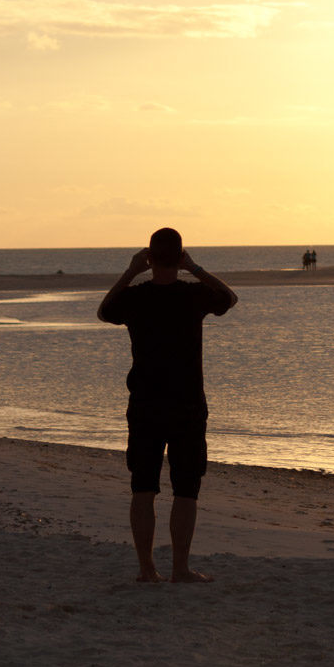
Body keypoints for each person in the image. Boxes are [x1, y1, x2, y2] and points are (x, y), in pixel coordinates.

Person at [98, 227, 238, 583]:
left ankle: (147, 569)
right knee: (186, 489)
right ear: (179, 257)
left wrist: (131, 272)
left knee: (143, 487)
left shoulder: (136, 296)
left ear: (149, 258)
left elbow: (104, 311)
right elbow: (229, 297)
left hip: (145, 403)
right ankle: (179, 567)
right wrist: (195, 268)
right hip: (186, 404)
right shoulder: (192, 295)